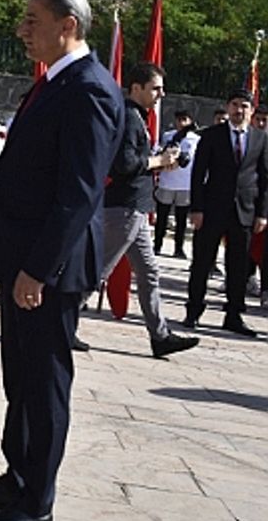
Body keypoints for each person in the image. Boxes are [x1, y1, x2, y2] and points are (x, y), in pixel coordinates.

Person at [0, 0, 124, 521]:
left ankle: (37, 503)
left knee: (46, 382)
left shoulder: (89, 90)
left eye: (33, 20)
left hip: (48, 269)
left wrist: (38, 269)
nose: (21, 30)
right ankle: (18, 475)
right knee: (21, 379)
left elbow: (78, 194)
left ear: (67, 25)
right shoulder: (56, 81)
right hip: (23, 261)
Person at [98, 63, 199, 358]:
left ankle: (160, 335)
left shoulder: (138, 117)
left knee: (149, 272)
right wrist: (158, 162)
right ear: (136, 88)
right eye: (155, 88)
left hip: (137, 207)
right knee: (99, 270)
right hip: (125, 207)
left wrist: (160, 162)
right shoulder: (129, 117)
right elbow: (123, 164)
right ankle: (59, 323)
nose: (161, 94)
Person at [183, 89, 268, 337]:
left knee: (238, 266)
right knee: (202, 261)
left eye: (244, 106)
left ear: (251, 111)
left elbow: (265, 178)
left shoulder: (260, 139)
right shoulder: (212, 135)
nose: (239, 110)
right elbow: (198, 174)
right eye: (234, 105)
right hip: (212, 209)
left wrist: (262, 213)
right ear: (227, 107)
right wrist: (196, 208)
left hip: (244, 210)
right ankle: (193, 310)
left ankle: (233, 315)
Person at [154, 109, 198, 258]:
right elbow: (159, 152)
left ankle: (179, 248)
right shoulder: (168, 136)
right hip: (167, 181)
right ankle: (157, 244)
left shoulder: (195, 139)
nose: (181, 123)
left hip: (185, 184)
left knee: (181, 219)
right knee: (162, 216)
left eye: (184, 119)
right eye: (178, 119)